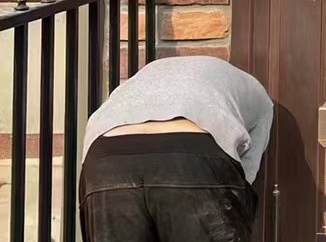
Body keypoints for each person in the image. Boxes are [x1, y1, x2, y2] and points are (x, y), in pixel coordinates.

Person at [80, 55, 274, 242]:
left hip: (106, 156)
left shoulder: (144, 76)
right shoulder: (259, 98)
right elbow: (244, 180)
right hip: (191, 154)